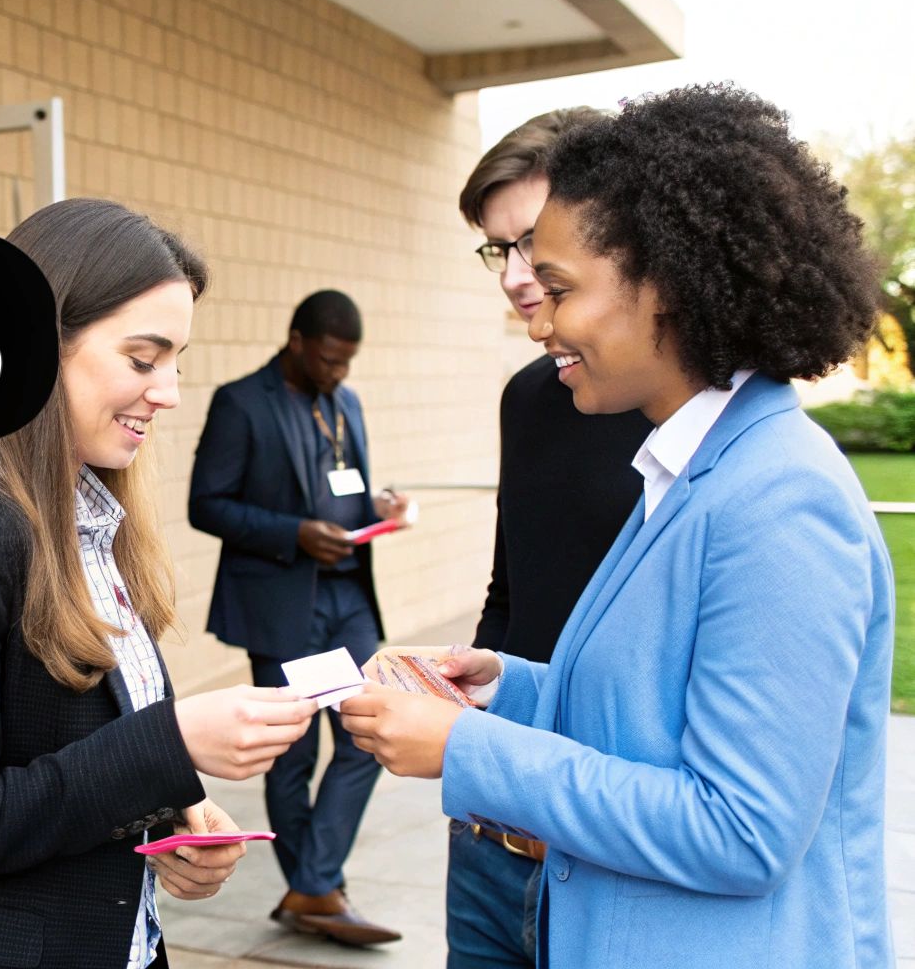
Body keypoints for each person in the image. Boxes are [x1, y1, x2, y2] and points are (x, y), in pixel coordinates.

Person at [340, 84, 893, 967]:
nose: (541, 320)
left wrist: (469, 749)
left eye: (560, 287)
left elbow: (741, 831)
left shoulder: (781, 499)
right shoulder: (685, 470)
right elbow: (646, 710)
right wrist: (506, 690)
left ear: (666, 288)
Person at [0, 198, 319, 969]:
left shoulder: (92, 523)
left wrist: (170, 813)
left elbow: (69, 754)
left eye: (176, 361)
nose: (168, 392)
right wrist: (170, 745)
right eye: (143, 358)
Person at [440, 108, 652, 968]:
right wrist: (463, 702)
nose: (515, 276)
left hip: (612, 835)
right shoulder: (529, 395)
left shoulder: (693, 414)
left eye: (531, 242)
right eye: (499, 250)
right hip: (493, 826)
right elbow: (513, 585)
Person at [187, 290, 410, 946]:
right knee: (294, 751)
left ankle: (313, 884)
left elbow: (345, 486)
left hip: (350, 598)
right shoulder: (241, 402)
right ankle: (316, 890)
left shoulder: (346, 403)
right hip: (285, 603)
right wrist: (295, 533)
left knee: (370, 733)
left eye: (347, 362)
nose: (338, 372)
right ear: (296, 342)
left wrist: (378, 506)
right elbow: (207, 504)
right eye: (329, 359)